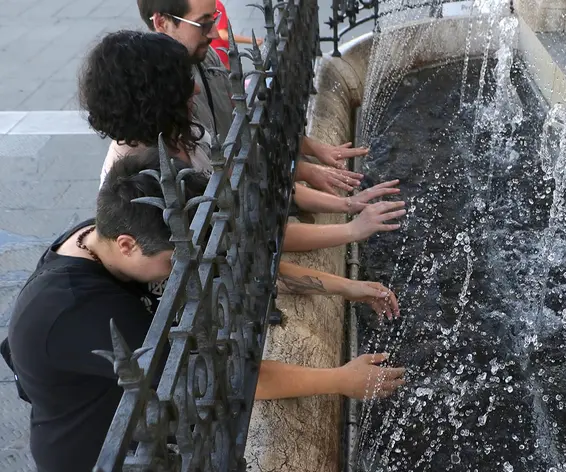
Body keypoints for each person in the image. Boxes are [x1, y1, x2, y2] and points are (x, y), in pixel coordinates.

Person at [1, 152, 406, 472]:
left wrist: (347, 286)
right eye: (174, 261)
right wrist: (340, 379)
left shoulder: (110, 231)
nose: (186, 271)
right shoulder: (85, 312)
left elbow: (252, 269)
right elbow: (225, 379)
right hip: (98, 453)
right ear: (127, 244)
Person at [80, 30, 404, 253]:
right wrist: (351, 229)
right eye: (181, 82)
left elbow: (253, 196)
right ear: (151, 97)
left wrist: (349, 205)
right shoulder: (143, 178)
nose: (195, 89)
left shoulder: (186, 132)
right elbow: (249, 240)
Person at [137, 0, 371, 169]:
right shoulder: (160, 99)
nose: (212, 34)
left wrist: (313, 152)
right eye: (202, 24)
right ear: (161, 22)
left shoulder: (207, 57)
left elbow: (243, 130)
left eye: (214, 19)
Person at [211, 0, 263, 70]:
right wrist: (251, 40)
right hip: (220, 52)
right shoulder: (216, 4)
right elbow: (223, 34)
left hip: (210, 51)